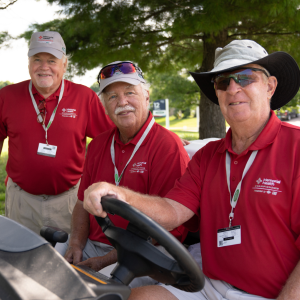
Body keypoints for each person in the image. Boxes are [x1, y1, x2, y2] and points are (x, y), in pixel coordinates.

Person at [82, 40, 300, 300]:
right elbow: (173, 211)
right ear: (217, 94)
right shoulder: (208, 157)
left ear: (270, 86)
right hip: (212, 286)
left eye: (244, 78)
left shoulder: (295, 148)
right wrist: (120, 194)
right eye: (223, 82)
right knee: (137, 297)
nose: (233, 89)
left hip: (271, 294)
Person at [56, 60, 190, 287]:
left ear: (147, 96)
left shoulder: (168, 147)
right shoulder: (98, 145)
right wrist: (76, 244)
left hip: (146, 253)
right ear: (105, 106)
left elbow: (164, 228)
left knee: (95, 291)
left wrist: (104, 261)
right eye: (112, 97)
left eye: (130, 92)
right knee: (43, 270)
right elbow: (81, 202)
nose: (122, 102)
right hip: (93, 244)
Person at [0, 31, 114, 235]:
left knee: (68, 262)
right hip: (21, 201)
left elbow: (111, 138)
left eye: (52, 60)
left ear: (64, 64)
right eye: (37, 60)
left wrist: (152, 137)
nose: (44, 67)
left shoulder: (83, 96)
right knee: (21, 262)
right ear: (28, 64)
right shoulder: (6, 96)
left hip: (69, 201)